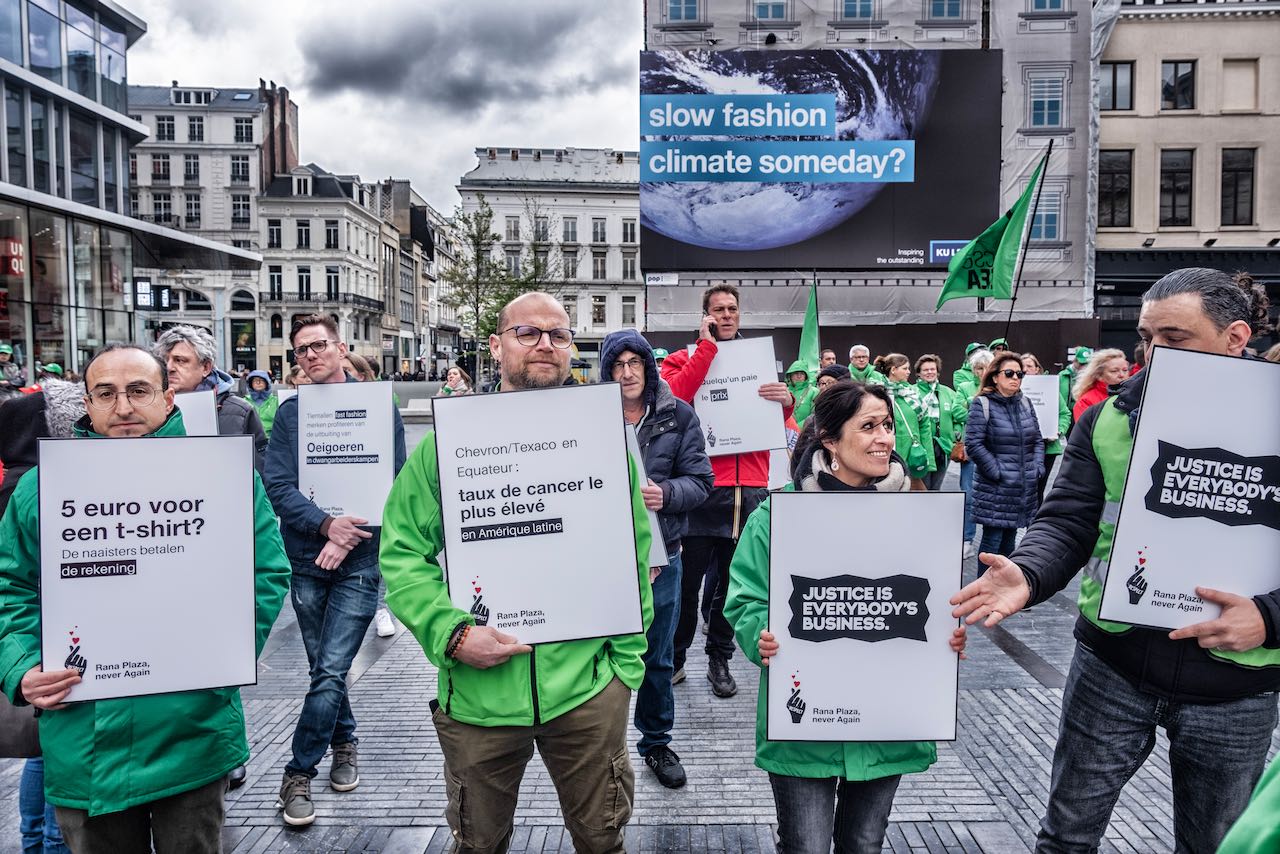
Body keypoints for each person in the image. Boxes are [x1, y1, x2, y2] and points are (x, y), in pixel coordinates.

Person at [951, 268, 1278, 854]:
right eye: (1148, 339)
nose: (1155, 355)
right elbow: (1067, 520)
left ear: (1235, 336)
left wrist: (1271, 618)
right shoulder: (1108, 418)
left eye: (1175, 338)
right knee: (1066, 838)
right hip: (1112, 663)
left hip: (1237, 682)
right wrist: (1028, 572)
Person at [379, 292, 654, 850]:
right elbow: (403, 552)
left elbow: (635, 557)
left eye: (558, 334)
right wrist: (452, 635)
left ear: (572, 348)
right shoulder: (446, 446)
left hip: (586, 692)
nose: (545, 344)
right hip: (480, 696)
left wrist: (625, 671)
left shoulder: (603, 443)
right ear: (497, 344)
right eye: (528, 332)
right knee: (479, 844)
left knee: (602, 839)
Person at [0, 344, 290, 853]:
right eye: (106, 394)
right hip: (82, 735)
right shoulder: (41, 489)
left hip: (192, 728)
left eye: (138, 391)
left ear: (169, 397)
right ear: (86, 404)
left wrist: (223, 651)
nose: (124, 408)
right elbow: (10, 589)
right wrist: (20, 666)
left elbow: (265, 573)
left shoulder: (220, 475)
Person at [726, 382, 967, 852]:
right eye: (869, 426)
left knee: (864, 843)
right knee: (806, 845)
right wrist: (762, 635)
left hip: (886, 725)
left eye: (889, 425)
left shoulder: (921, 517)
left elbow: (935, 605)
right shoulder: (779, 515)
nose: (885, 438)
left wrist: (948, 635)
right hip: (805, 729)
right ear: (830, 441)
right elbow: (745, 599)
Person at [264, 315, 407, 827]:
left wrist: (349, 536)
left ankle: (297, 772)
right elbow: (277, 486)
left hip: (360, 562)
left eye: (319, 345)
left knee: (329, 669)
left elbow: (393, 482)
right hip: (306, 559)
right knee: (322, 667)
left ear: (341, 347)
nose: (310, 355)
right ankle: (344, 741)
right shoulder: (291, 415)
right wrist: (326, 526)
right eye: (301, 350)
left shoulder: (376, 407)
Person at [660, 283, 795, 699]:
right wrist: (705, 349)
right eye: (717, 309)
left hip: (749, 488)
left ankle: (720, 657)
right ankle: (676, 657)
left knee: (733, 586)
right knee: (686, 585)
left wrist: (787, 400)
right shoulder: (681, 359)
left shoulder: (756, 359)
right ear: (704, 315)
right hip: (702, 488)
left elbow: (775, 416)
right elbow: (676, 397)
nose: (726, 315)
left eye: (732, 308)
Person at [600, 329, 714, 790]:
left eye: (635, 363)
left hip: (661, 558)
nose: (627, 373)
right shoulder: (586, 415)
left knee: (657, 658)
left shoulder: (677, 415)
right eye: (618, 364)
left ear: (648, 367)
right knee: (597, 655)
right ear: (607, 370)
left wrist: (664, 494)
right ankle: (598, 747)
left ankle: (656, 742)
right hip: (603, 559)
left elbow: (701, 481)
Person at [0, 374, 85, 854]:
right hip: (49, 647)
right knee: (50, 758)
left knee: (39, 755)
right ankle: (47, 843)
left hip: (34, 650)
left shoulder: (12, 478)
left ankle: (34, 840)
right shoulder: (36, 488)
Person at [964, 352, 1043, 573]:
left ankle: (1004, 590)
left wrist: (1037, 467)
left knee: (1010, 541)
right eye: (1009, 373)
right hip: (996, 486)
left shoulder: (1025, 403)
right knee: (992, 542)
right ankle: (983, 591)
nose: (1015, 378)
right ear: (995, 376)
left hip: (1023, 486)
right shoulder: (983, 404)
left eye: (1020, 374)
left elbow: (1037, 438)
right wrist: (998, 472)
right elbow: (974, 444)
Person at [152, 325, 267, 472]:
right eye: (164, 360)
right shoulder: (144, 409)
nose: (169, 367)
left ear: (206, 367)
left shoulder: (239, 412)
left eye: (180, 360)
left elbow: (259, 474)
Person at [874, 353, 933, 490]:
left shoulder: (912, 393)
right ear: (893, 370)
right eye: (905, 368)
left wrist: (928, 457)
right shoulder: (877, 393)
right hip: (884, 457)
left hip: (911, 458)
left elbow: (924, 426)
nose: (909, 372)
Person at [1020, 353, 1069, 505]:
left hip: (1048, 446)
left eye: (1030, 366)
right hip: (1022, 446)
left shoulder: (1051, 389)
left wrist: (1058, 430)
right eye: (1022, 366)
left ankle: (1034, 525)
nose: (1026, 369)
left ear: (1037, 369)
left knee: (1038, 488)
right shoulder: (1013, 387)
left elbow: (1064, 414)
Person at [956, 349, 992, 557]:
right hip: (970, 447)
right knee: (968, 493)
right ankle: (967, 538)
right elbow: (956, 410)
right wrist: (976, 404)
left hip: (993, 448)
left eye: (985, 367)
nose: (981, 372)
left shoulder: (998, 388)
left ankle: (989, 540)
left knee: (991, 494)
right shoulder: (964, 387)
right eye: (978, 368)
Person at [914, 354, 967, 491]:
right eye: (925, 370)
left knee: (936, 486)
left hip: (943, 446)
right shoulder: (912, 391)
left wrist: (957, 432)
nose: (930, 372)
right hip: (922, 446)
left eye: (933, 369)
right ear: (919, 373)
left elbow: (957, 417)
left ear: (937, 372)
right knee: (922, 487)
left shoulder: (948, 392)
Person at [1070, 348, 1129, 422]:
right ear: (1099, 375)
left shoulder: (1133, 395)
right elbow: (1084, 431)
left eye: (1125, 370)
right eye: (1114, 371)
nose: (1121, 375)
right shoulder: (1086, 401)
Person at [1057, 346, 1090, 417]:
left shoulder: (1091, 377)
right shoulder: (1062, 376)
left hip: (1083, 413)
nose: (1084, 367)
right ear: (1075, 360)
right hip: (1066, 413)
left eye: (1086, 364)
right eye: (1081, 364)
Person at [245, 370, 279, 439]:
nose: (258, 383)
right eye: (255, 380)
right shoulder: (244, 401)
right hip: (251, 440)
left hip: (271, 440)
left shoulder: (276, 401)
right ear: (250, 384)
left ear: (267, 383)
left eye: (261, 380)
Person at [785, 360, 818, 425]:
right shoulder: (785, 391)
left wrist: (798, 428)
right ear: (790, 375)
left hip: (805, 432)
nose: (799, 376)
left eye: (802, 373)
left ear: (806, 376)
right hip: (785, 431)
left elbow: (815, 415)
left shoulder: (814, 391)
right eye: (796, 373)